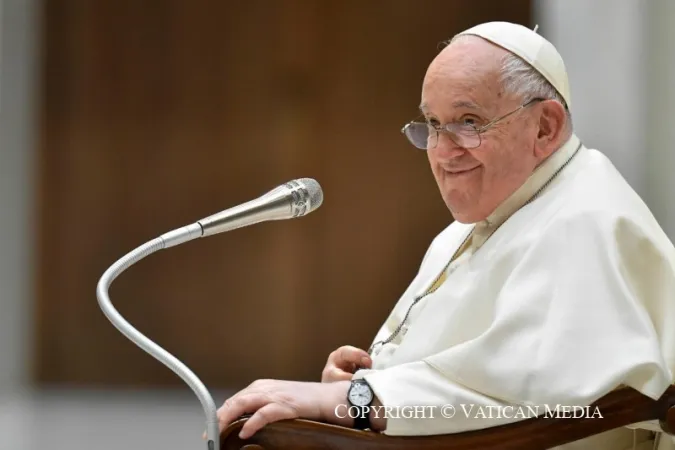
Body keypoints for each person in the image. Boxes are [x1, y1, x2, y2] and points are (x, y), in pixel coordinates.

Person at [214, 21, 675, 449]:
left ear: (545, 126)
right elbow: (477, 376)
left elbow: (532, 395)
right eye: (432, 126)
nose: (442, 152)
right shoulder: (485, 217)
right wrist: (362, 384)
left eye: (468, 123)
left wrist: (356, 402)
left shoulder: (586, 219)